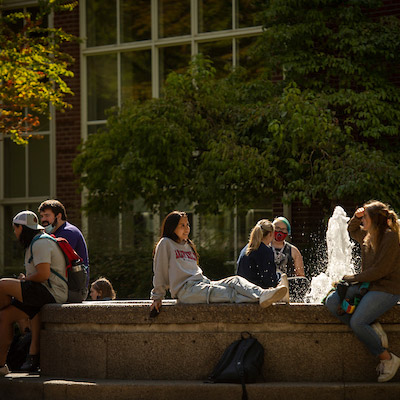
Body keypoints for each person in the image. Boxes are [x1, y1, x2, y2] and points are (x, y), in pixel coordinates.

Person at [149, 211, 288, 314]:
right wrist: (157, 296)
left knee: (235, 281)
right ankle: (263, 296)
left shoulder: (187, 245)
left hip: (202, 283)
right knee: (228, 293)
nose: (187, 228)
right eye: (182, 225)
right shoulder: (166, 243)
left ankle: (263, 294)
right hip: (186, 291)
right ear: (172, 227)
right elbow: (160, 271)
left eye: (188, 224)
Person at [325, 200, 400, 383]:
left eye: (364, 217)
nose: (362, 221)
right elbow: (351, 231)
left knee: (358, 322)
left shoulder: (389, 237)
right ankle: (372, 326)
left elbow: (380, 271)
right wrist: (355, 217)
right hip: (369, 286)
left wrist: (350, 278)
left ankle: (388, 358)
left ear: (374, 219)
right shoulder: (369, 235)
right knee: (332, 302)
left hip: (387, 288)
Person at [20, 199, 90, 372]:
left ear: (59, 216)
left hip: (73, 291)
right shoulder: (52, 235)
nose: (43, 219)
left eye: (47, 216)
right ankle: (30, 347)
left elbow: (52, 269)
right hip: (63, 287)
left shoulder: (67, 233)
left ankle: (31, 348)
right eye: (41, 215)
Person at [0, 211, 68, 377]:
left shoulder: (41, 243)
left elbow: (43, 274)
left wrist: (24, 281)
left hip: (51, 292)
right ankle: (1, 366)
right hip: (40, 291)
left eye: (15, 229)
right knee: (4, 317)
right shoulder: (34, 243)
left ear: (22, 228)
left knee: (2, 285)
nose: (14, 233)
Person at [237, 219, 289, 302]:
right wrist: (279, 278)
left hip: (242, 293)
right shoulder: (265, 251)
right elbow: (269, 280)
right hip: (258, 294)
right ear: (270, 234)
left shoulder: (245, 249)